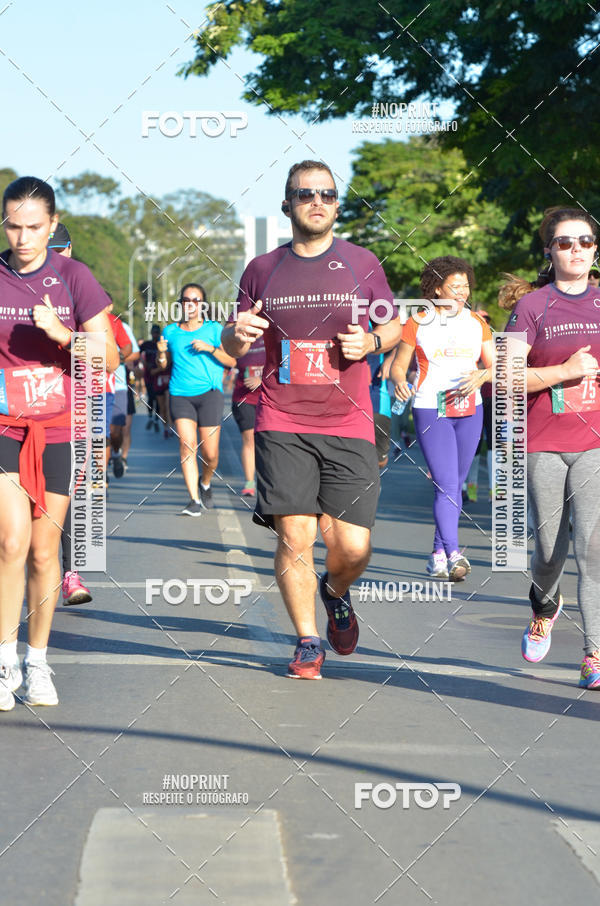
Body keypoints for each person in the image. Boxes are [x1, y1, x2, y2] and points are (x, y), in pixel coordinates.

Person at [222, 159, 401, 680]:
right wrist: (238, 335)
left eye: (325, 193)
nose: (316, 201)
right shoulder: (261, 269)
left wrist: (369, 341)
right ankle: (306, 640)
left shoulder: (363, 263)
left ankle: (335, 591)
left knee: (353, 546)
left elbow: (392, 329)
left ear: (337, 205)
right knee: (295, 536)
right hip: (282, 417)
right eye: (305, 194)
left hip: (348, 419)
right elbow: (234, 344)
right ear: (288, 205)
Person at [0, 176, 118, 710]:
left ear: (52, 226)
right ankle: (4, 661)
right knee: (10, 543)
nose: (22, 238)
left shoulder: (74, 277)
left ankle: (38, 661)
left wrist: (66, 337)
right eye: (13, 226)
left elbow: (110, 358)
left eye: (33, 227)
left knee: (47, 551)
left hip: (61, 429)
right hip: (4, 426)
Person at [503, 207, 600, 688]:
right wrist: (566, 372)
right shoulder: (532, 306)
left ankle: (594, 653)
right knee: (548, 548)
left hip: (594, 444)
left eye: (584, 241)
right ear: (550, 250)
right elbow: (507, 376)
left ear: (595, 250)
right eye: (565, 242)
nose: (576, 249)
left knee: (593, 549)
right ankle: (544, 606)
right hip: (542, 441)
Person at [391, 257, 494, 581]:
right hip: (430, 407)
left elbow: (494, 366)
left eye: (466, 285)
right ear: (437, 289)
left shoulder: (477, 322)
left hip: (470, 409)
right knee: (447, 484)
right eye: (455, 286)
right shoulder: (417, 322)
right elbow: (398, 365)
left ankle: (436, 553)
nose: (463, 291)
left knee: (455, 485)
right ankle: (453, 554)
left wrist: (482, 375)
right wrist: (399, 382)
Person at [157, 285, 236, 514]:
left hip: (210, 394)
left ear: (203, 304)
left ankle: (206, 482)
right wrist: (161, 353)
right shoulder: (170, 332)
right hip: (180, 394)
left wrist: (210, 349)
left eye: (196, 300)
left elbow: (231, 361)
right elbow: (162, 365)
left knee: (210, 454)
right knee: (187, 445)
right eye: (186, 300)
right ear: (180, 303)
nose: (191, 304)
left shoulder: (214, 329)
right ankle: (194, 501)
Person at [231, 338, 265, 496]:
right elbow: (228, 361)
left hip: (268, 399)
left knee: (268, 441)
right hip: (243, 399)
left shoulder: (274, 336)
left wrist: (262, 379)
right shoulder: (239, 339)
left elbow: (286, 366)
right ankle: (250, 482)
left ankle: (269, 482)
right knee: (249, 438)